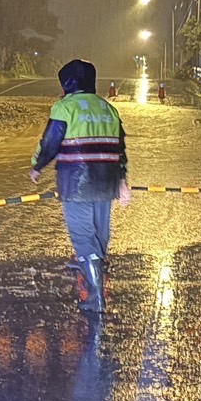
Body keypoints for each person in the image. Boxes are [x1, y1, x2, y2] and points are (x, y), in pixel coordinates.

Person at [29, 59, 130, 313]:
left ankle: (95, 296)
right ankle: (91, 270)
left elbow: (50, 142)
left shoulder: (65, 108)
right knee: (99, 233)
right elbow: (120, 148)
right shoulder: (109, 109)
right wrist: (122, 181)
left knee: (84, 236)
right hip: (106, 181)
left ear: (67, 83)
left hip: (76, 182)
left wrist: (37, 165)